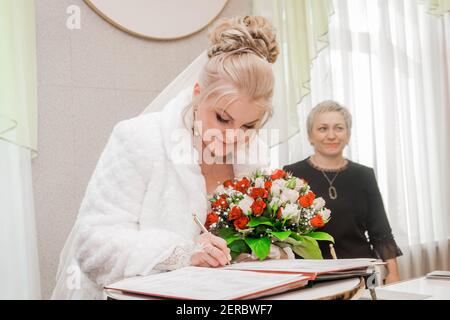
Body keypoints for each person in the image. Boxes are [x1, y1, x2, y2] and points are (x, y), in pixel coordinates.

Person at [52, 16, 280, 299]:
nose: (233, 137)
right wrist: (181, 253)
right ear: (198, 95)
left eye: (248, 126)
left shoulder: (253, 159)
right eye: (222, 118)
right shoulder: (139, 139)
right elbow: (93, 246)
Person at [284, 101, 403, 284]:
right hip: (313, 275)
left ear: (348, 135)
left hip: (365, 271)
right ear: (310, 136)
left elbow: (381, 230)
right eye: (323, 129)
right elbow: (285, 233)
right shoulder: (292, 174)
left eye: (339, 128)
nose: (331, 135)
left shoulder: (365, 175)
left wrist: (393, 275)